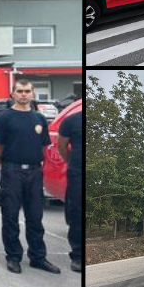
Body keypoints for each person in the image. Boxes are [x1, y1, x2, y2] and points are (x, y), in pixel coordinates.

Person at [0, 79, 59, 275]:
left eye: (27, 91)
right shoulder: (5, 118)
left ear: (32, 94)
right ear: (13, 94)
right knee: (11, 216)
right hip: (12, 171)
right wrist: (8, 164)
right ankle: (13, 257)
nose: (23, 94)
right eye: (19, 91)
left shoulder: (38, 119)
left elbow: (43, 146)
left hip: (33, 172)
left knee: (35, 217)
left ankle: (38, 257)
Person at [56, 107, 82, 274]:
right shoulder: (70, 121)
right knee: (76, 213)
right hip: (77, 173)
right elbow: (62, 146)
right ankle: (78, 256)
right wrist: (72, 163)